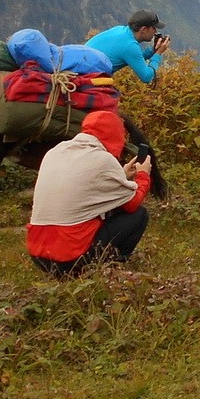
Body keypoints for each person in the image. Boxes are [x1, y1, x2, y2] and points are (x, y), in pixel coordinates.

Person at [27, 110, 153, 277]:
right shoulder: (103, 159)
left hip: (38, 254)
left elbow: (84, 185)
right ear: (115, 135)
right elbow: (132, 203)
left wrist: (120, 175)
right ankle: (110, 271)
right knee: (139, 215)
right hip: (69, 258)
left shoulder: (55, 152)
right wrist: (143, 175)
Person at [86, 10, 170, 84]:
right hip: (87, 79)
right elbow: (146, 77)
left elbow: (134, 58)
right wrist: (158, 54)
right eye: (154, 28)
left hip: (80, 70)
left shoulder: (120, 29)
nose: (156, 31)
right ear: (144, 29)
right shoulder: (130, 46)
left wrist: (152, 51)